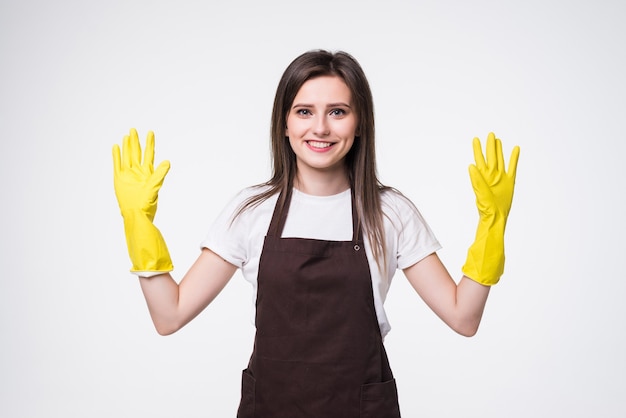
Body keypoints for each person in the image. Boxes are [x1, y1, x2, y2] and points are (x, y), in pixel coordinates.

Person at [112, 49, 520, 417]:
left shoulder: (389, 212)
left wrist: (492, 225)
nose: (320, 127)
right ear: (284, 124)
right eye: (304, 111)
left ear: (360, 125)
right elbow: (170, 315)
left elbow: (463, 318)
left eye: (338, 111)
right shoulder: (251, 211)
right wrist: (139, 225)